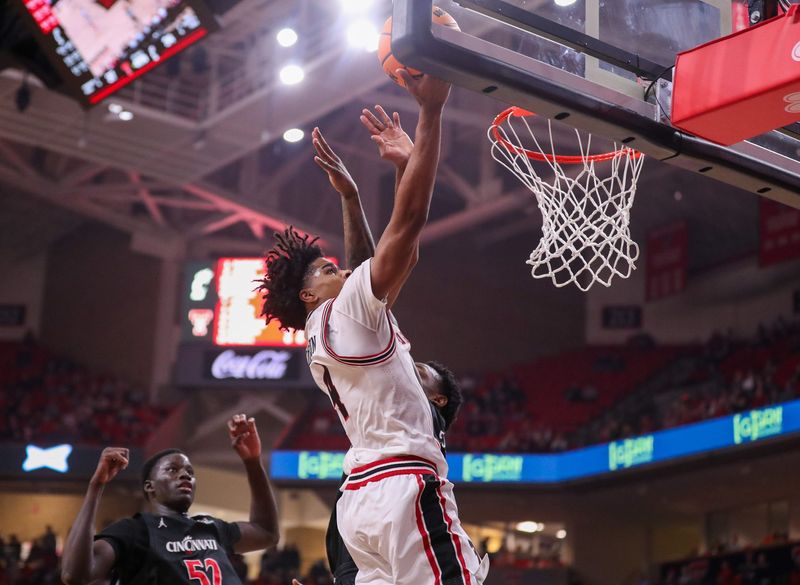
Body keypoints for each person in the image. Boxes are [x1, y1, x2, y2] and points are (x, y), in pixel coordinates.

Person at [259, 70, 487, 585]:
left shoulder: (324, 330)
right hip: (403, 486)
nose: (338, 267)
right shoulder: (348, 311)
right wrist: (431, 112)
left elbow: (368, 267)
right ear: (308, 295)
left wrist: (352, 198)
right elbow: (408, 224)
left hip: (359, 503)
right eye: (324, 269)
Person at [61, 414, 279, 585]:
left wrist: (252, 461)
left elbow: (266, 533)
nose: (185, 475)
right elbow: (75, 575)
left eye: (189, 472)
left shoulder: (211, 527)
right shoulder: (135, 530)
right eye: (172, 470)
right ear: (150, 486)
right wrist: (96, 486)